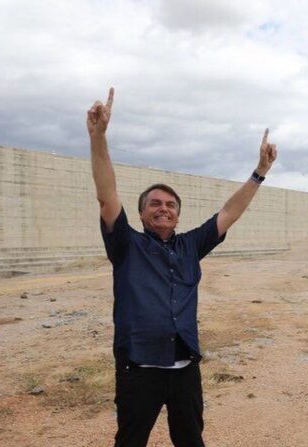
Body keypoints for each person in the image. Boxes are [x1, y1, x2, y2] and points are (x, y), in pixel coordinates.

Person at [87, 87, 277, 447]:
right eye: (155, 203)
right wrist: (99, 138)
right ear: (141, 212)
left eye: (171, 204)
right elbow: (106, 194)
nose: (164, 208)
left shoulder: (191, 245)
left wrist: (259, 172)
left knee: (191, 441)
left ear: (178, 213)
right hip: (138, 369)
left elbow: (229, 213)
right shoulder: (126, 244)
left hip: (184, 369)